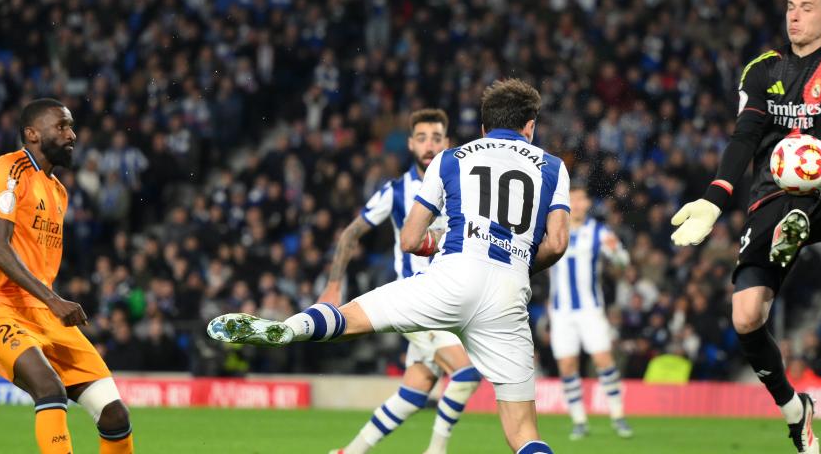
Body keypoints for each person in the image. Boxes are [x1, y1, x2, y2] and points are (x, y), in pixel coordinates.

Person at [209, 79, 570, 454]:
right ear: (530, 126)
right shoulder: (553, 167)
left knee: (350, 319)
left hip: (450, 278)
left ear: (483, 127)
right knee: (523, 432)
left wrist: (438, 240)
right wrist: (518, 262)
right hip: (508, 294)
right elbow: (557, 243)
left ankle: (290, 329)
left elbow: (410, 240)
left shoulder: (450, 159)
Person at [670, 0, 821, 453]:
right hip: (770, 195)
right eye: (790, 6)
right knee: (745, 317)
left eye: (806, 7)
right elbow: (744, 137)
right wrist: (714, 199)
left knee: (807, 182)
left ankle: (795, 224)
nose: (794, 15)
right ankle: (796, 412)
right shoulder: (761, 69)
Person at [0, 99, 134, 453]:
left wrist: (49, 302)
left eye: (70, 126)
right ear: (32, 134)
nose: (72, 135)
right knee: (49, 388)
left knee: (115, 415)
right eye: (61, 126)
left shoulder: (58, 191)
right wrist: (54, 299)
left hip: (44, 313)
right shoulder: (9, 170)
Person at [318, 109, 481, 454]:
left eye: (436, 138)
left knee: (414, 391)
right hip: (417, 300)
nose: (429, 145)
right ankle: (436, 450)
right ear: (410, 144)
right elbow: (351, 233)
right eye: (422, 138)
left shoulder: (463, 187)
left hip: (451, 298)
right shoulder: (395, 191)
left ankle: (348, 452)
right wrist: (334, 285)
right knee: (465, 373)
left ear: (448, 142)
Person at [548, 184, 633, 440]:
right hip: (560, 311)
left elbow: (622, 262)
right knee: (567, 365)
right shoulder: (552, 229)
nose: (576, 204)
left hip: (590, 309)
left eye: (580, 199)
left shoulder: (598, 231)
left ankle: (618, 416)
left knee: (603, 360)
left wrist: (617, 255)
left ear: (586, 204)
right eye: (571, 199)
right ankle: (579, 420)